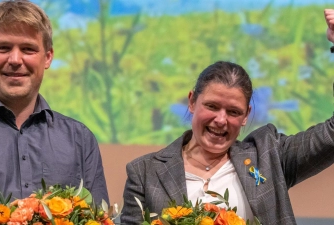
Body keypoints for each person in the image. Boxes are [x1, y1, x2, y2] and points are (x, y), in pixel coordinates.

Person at [121, 10, 334, 225]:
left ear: (246, 115)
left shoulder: (269, 157)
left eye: (233, 112)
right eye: (212, 106)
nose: (221, 120)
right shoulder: (145, 173)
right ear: (192, 101)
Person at [0, 1, 109, 224]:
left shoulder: (80, 139)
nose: (15, 60)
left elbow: (98, 219)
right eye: (3, 48)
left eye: (28, 49)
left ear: (47, 57)